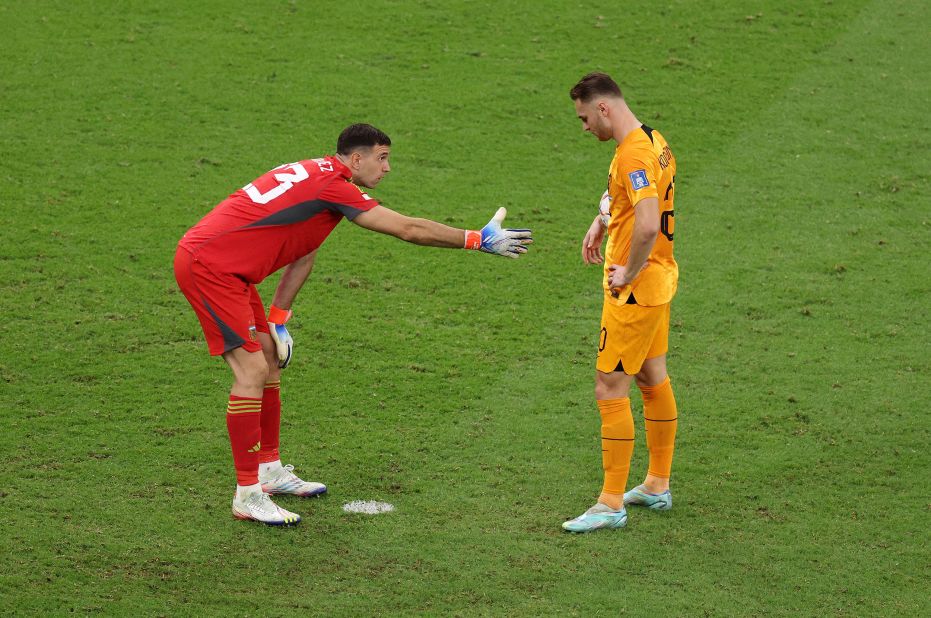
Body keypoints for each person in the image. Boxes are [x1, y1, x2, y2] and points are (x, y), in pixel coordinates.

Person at [174, 123, 532, 526]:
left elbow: (304, 250)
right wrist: (475, 239)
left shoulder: (320, 177)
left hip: (232, 270)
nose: (388, 168)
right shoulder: (335, 187)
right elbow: (407, 228)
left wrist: (278, 319)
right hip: (211, 267)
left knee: (269, 359)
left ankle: (268, 471)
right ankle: (247, 495)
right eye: (382, 158)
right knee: (252, 371)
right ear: (356, 158)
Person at [561, 73, 679, 533]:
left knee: (609, 387)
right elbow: (634, 202)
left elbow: (647, 223)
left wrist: (626, 271)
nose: (585, 127)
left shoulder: (632, 152)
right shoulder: (652, 139)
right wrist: (602, 219)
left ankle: (610, 503)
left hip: (634, 289)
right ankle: (656, 484)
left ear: (604, 108)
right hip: (660, 281)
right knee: (652, 375)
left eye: (585, 117)